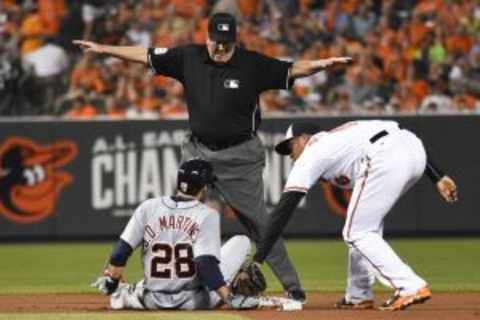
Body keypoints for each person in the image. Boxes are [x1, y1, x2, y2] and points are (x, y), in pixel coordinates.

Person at [74, 12, 352, 301]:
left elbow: (292, 69)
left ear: (235, 41)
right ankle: (168, 281)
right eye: (216, 42)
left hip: (240, 157)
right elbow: (145, 54)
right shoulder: (188, 57)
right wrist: (105, 50)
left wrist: (319, 65)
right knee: (177, 215)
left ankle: (293, 288)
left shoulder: (251, 63)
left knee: (260, 224)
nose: (220, 48)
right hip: (198, 151)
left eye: (226, 43)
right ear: (206, 37)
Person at [253, 120, 458, 311]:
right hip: (413, 150)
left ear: (305, 138)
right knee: (365, 227)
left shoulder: (312, 152)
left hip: (385, 154)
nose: (290, 154)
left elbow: (283, 211)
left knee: (357, 232)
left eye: (291, 146)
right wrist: (437, 176)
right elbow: (402, 136)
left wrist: (258, 260)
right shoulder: (340, 140)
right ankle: (358, 295)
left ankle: (410, 285)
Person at [91, 159, 259, 310]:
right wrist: (229, 297)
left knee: (123, 292)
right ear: (204, 188)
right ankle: (234, 285)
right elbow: (205, 264)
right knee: (242, 241)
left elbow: (120, 252)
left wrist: (113, 281)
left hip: (152, 300)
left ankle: (120, 294)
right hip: (195, 300)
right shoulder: (207, 214)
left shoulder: (148, 207)